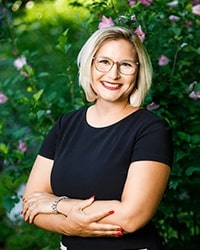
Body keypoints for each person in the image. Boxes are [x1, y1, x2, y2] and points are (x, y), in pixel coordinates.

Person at [22, 26, 173, 250]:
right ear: (90, 66)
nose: (113, 74)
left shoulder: (152, 130)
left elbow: (132, 217)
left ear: (139, 72)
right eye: (104, 62)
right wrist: (70, 227)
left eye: (126, 65)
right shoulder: (66, 124)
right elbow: (31, 204)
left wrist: (58, 204)